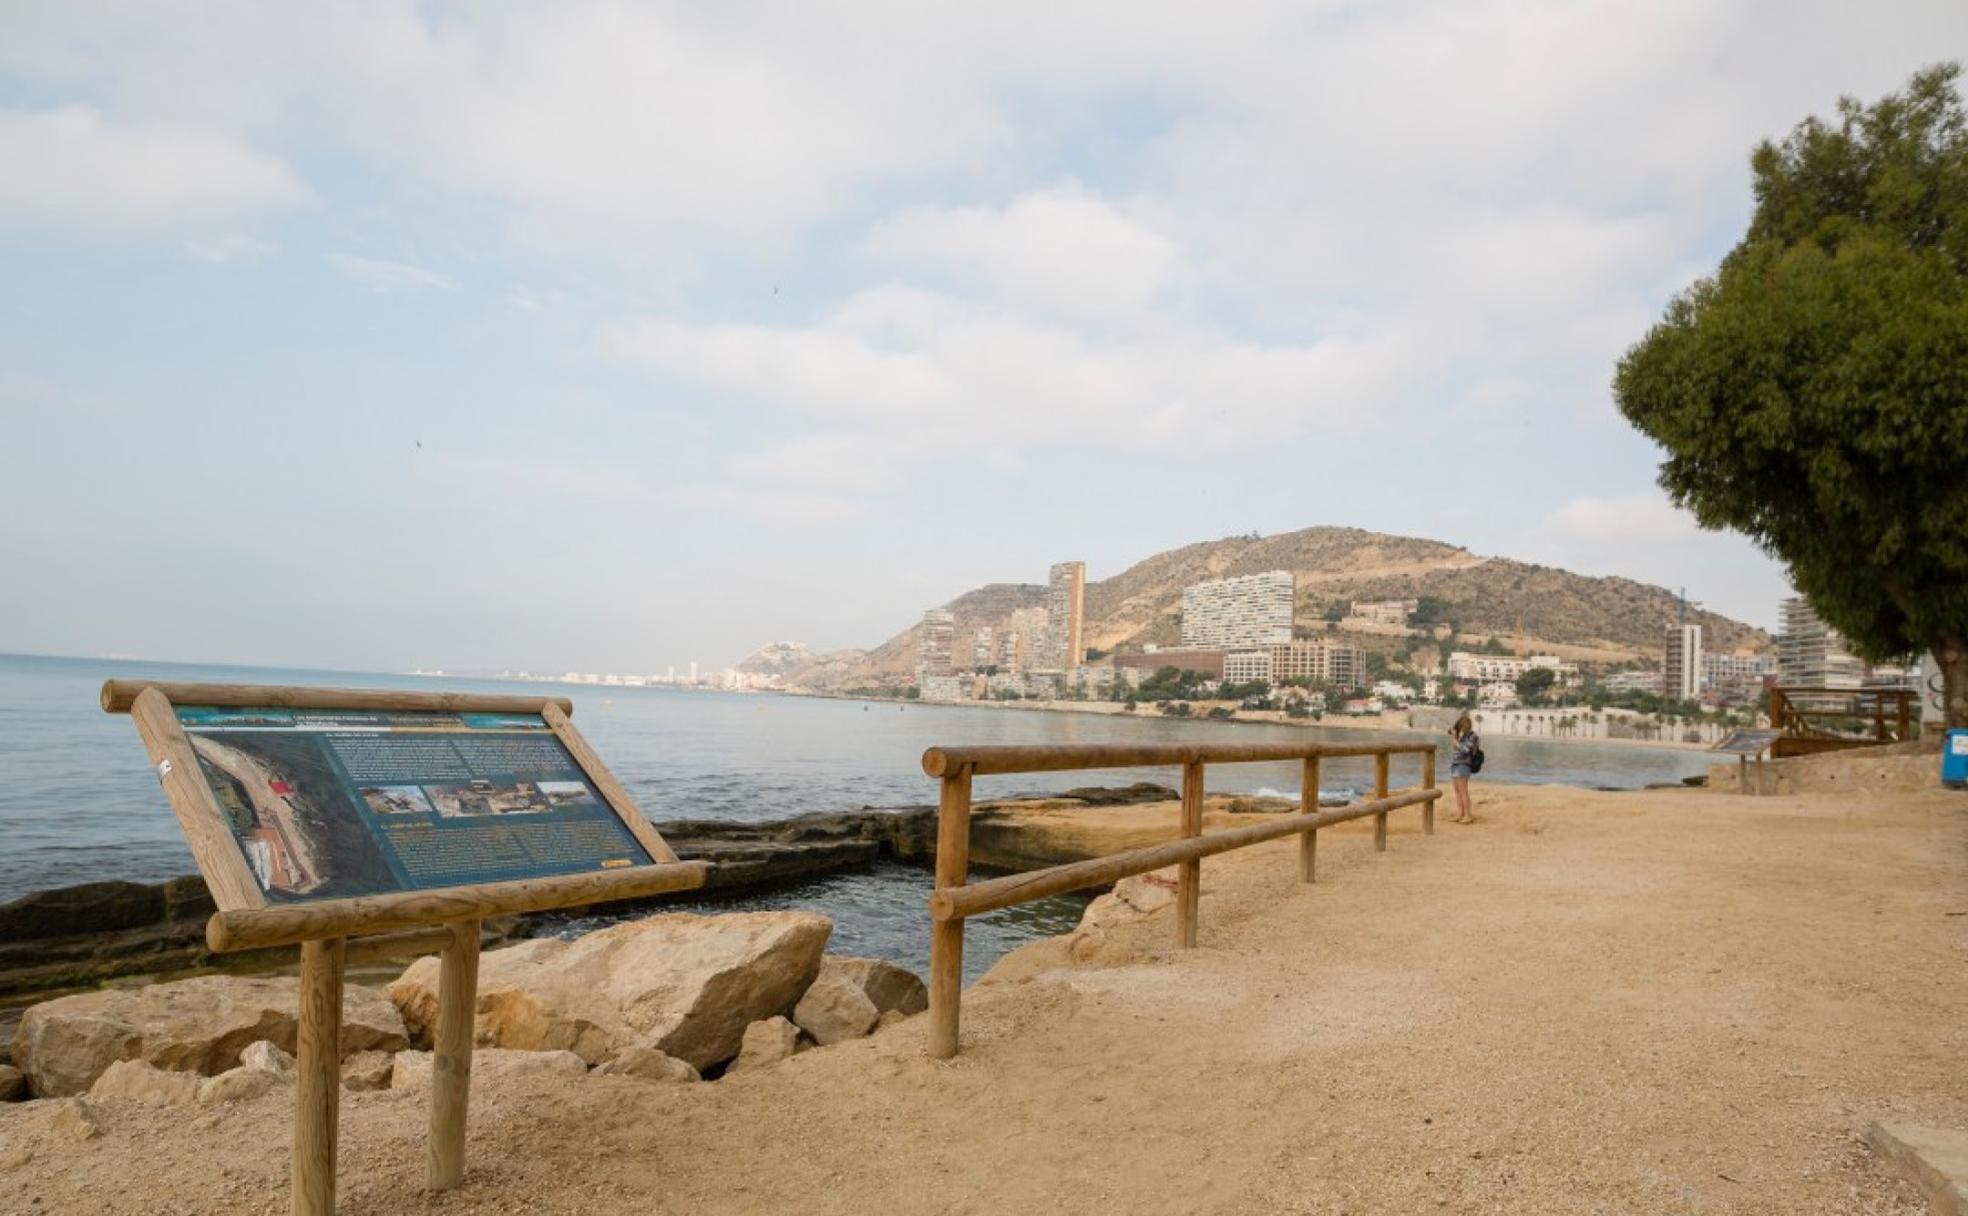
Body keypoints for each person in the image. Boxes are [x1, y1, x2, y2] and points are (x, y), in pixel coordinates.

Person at [1447, 713, 1479, 824]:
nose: (1460, 728)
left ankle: (1468, 815)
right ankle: (1460, 813)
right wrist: (1455, 737)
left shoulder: (1473, 736)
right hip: (1455, 764)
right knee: (1457, 791)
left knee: (1463, 791)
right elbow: (1456, 749)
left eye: (1461, 726)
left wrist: (1454, 739)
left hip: (1463, 765)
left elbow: (1465, 750)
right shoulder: (1463, 736)